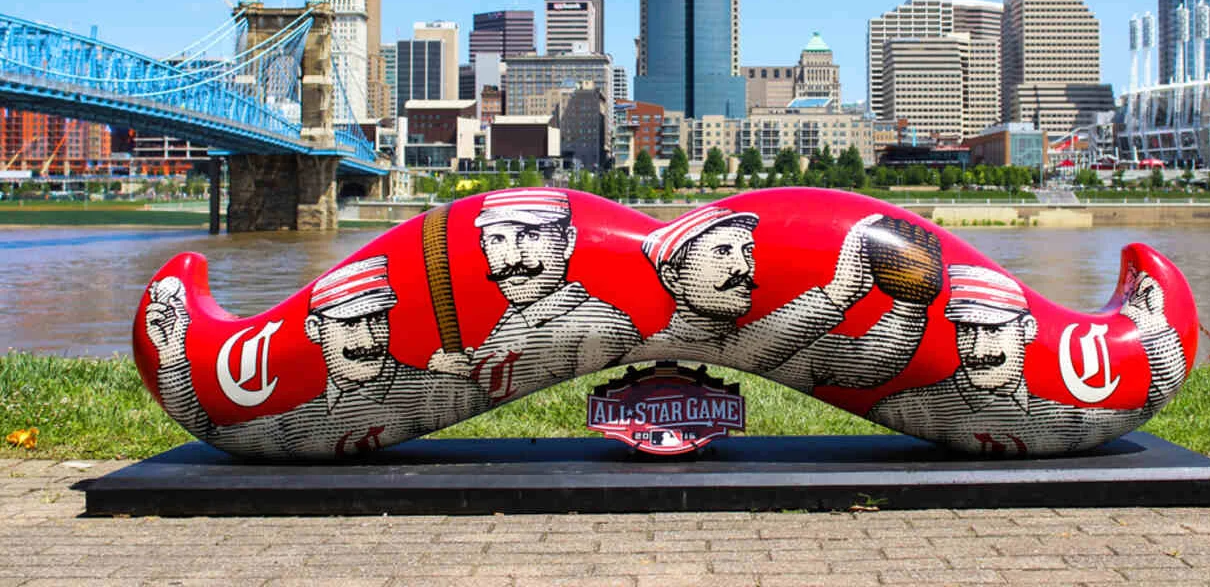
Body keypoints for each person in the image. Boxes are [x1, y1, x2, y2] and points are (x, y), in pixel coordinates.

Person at [145, 255, 489, 458]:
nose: (368, 338)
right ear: (313, 329)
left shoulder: (444, 392)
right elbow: (218, 424)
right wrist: (174, 356)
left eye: (376, 320)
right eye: (351, 323)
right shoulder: (296, 419)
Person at [866, 263, 1188, 455]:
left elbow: (1145, 391)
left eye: (992, 331)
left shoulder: (1068, 415)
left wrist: (1156, 328)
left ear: (1028, 329)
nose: (978, 350)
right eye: (966, 331)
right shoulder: (905, 406)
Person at [624, 206, 941, 387]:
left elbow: (867, 365)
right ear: (673, 278)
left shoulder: (785, 345)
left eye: (747, 251)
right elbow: (735, 352)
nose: (742, 266)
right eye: (722, 252)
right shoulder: (650, 345)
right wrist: (837, 295)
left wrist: (909, 306)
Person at [458, 189, 641, 402]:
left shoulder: (597, 325)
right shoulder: (513, 319)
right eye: (497, 239)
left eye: (531, 236)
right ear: (483, 246)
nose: (512, 258)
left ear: (568, 241)